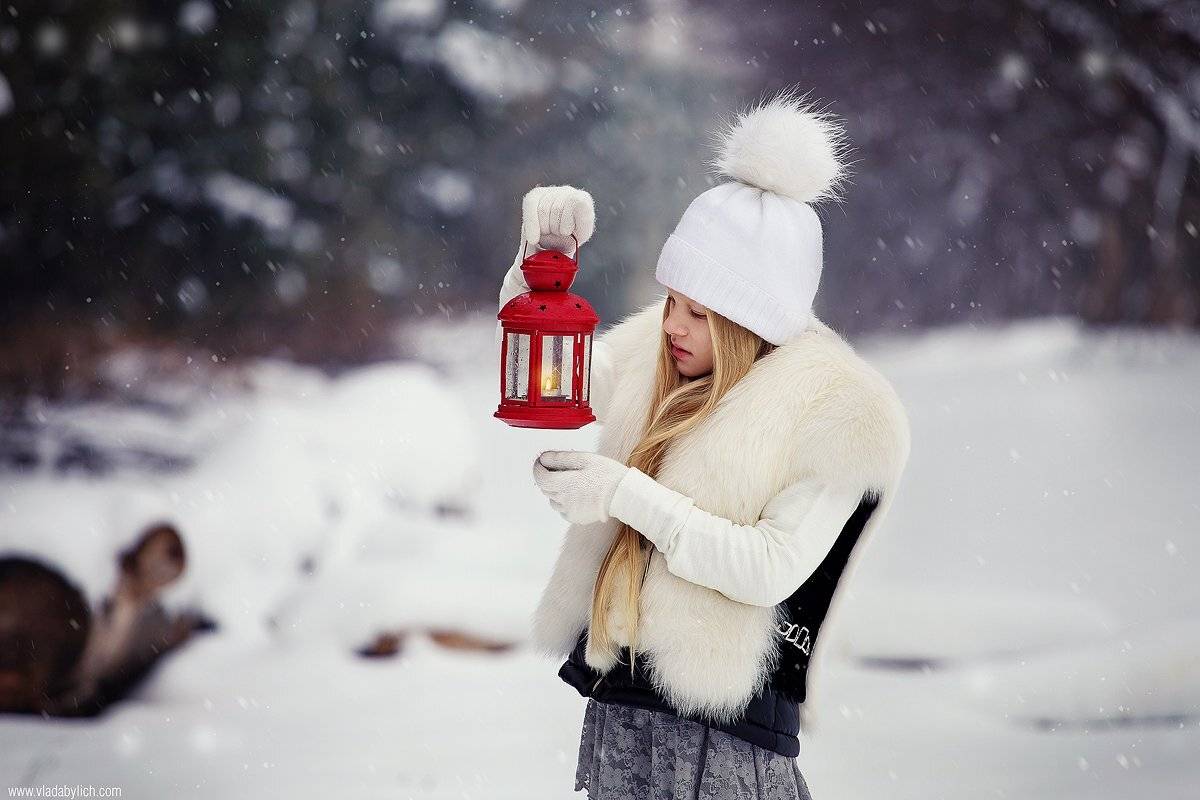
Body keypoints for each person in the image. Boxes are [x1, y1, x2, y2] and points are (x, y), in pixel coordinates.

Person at [498, 88, 912, 800]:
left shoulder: (837, 412)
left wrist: (623, 493)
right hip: (622, 707)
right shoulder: (662, 357)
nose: (673, 326)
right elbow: (549, 381)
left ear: (748, 321)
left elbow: (770, 567)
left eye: (699, 311)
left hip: (724, 740)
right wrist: (539, 272)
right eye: (671, 301)